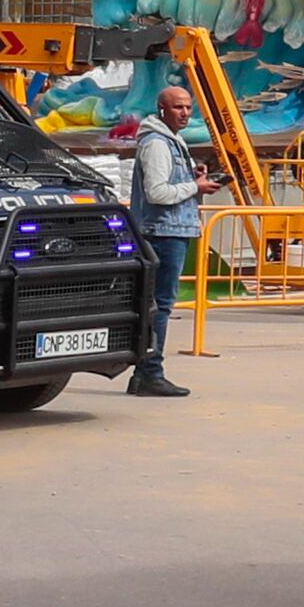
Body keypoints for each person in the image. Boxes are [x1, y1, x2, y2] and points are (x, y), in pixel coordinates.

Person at [121, 81, 205, 397]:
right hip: (163, 232)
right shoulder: (157, 143)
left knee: (158, 305)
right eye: (177, 107)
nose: (184, 113)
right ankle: (150, 372)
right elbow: (157, 193)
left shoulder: (172, 141)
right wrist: (196, 188)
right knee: (161, 305)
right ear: (161, 109)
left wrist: (191, 175)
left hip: (170, 231)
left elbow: (168, 183)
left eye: (187, 106)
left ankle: (145, 373)